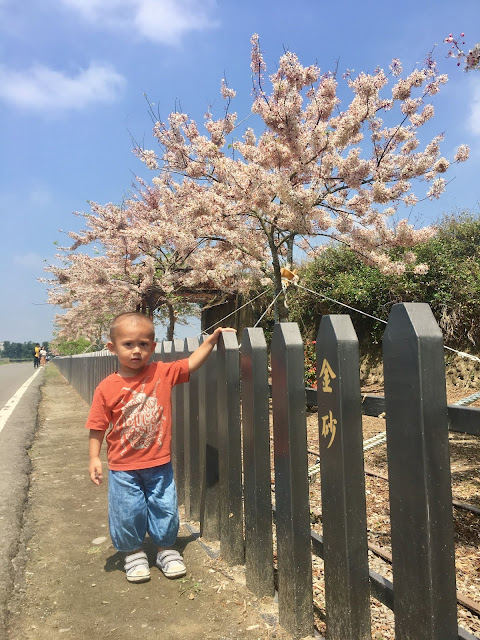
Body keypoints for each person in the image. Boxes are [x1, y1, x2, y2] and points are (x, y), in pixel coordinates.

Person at [86, 311, 235, 584]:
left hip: (159, 462)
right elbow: (97, 425)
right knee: (127, 511)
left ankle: (166, 549)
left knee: (164, 507)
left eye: (144, 344)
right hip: (122, 466)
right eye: (128, 344)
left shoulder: (161, 373)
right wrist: (94, 457)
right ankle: (133, 553)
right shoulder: (107, 387)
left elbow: (189, 364)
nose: (136, 351)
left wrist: (211, 342)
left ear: (153, 347)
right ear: (112, 348)